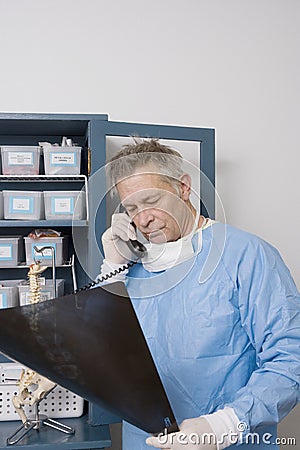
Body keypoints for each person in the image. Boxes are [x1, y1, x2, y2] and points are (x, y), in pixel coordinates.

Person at [99, 138, 300, 450]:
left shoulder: (246, 256)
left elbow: (290, 358)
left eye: (151, 200)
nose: (142, 219)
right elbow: (98, 349)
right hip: (146, 442)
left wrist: (223, 424)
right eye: (131, 208)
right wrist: (112, 265)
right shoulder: (131, 269)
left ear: (183, 187)